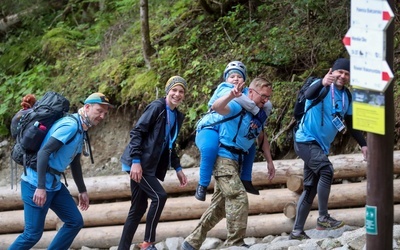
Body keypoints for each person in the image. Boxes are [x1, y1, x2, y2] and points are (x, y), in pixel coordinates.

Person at [8, 92, 113, 250]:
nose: (102, 116)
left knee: (74, 221)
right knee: (32, 234)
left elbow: (75, 162)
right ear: (87, 107)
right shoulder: (70, 126)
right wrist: (41, 187)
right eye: (99, 111)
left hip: (54, 184)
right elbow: (44, 152)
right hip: (35, 183)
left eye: (105, 113)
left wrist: (82, 190)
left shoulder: (80, 129)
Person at [182, 77, 276, 250]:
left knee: (220, 206)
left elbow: (262, 138)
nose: (266, 100)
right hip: (223, 157)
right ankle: (235, 243)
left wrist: (270, 161)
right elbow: (217, 107)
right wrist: (231, 95)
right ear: (251, 92)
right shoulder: (237, 105)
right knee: (238, 197)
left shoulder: (257, 112)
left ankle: (191, 242)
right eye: (263, 96)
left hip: (237, 161)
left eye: (268, 97)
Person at [289, 58, 368, 240]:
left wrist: (363, 144)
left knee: (310, 188)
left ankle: (297, 231)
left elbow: (351, 125)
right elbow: (308, 95)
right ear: (332, 71)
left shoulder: (347, 96)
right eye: (340, 72)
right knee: (326, 170)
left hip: (320, 146)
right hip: (305, 140)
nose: (343, 76)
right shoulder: (322, 85)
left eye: (347, 74)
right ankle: (323, 217)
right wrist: (324, 82)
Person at [118, 76, 189, 250]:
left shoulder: (176, 115)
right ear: (167, 91)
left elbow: (169, 144)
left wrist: (178, 168)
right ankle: (148, 243)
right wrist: (135, 161)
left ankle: (122, 248)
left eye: (181, 91)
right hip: (139, 163)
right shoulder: (157, 107)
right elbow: (137, 132)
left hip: (148, 165)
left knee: (138, 207)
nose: (177, 94)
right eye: (174, 90)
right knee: (159, 196)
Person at [195, 61, 273, 201]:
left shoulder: (246, 94)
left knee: (250, 146)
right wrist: (258, 113)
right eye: (232, 76)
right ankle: (202, 184)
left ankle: (246, 179)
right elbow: (220, 105)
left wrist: (269, 161)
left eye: (239, 76)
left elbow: (261, 134)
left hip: (225, 131)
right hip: (211, 126)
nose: (235, 79)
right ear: (226, 79)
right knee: (210, 148)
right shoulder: (226, 88)